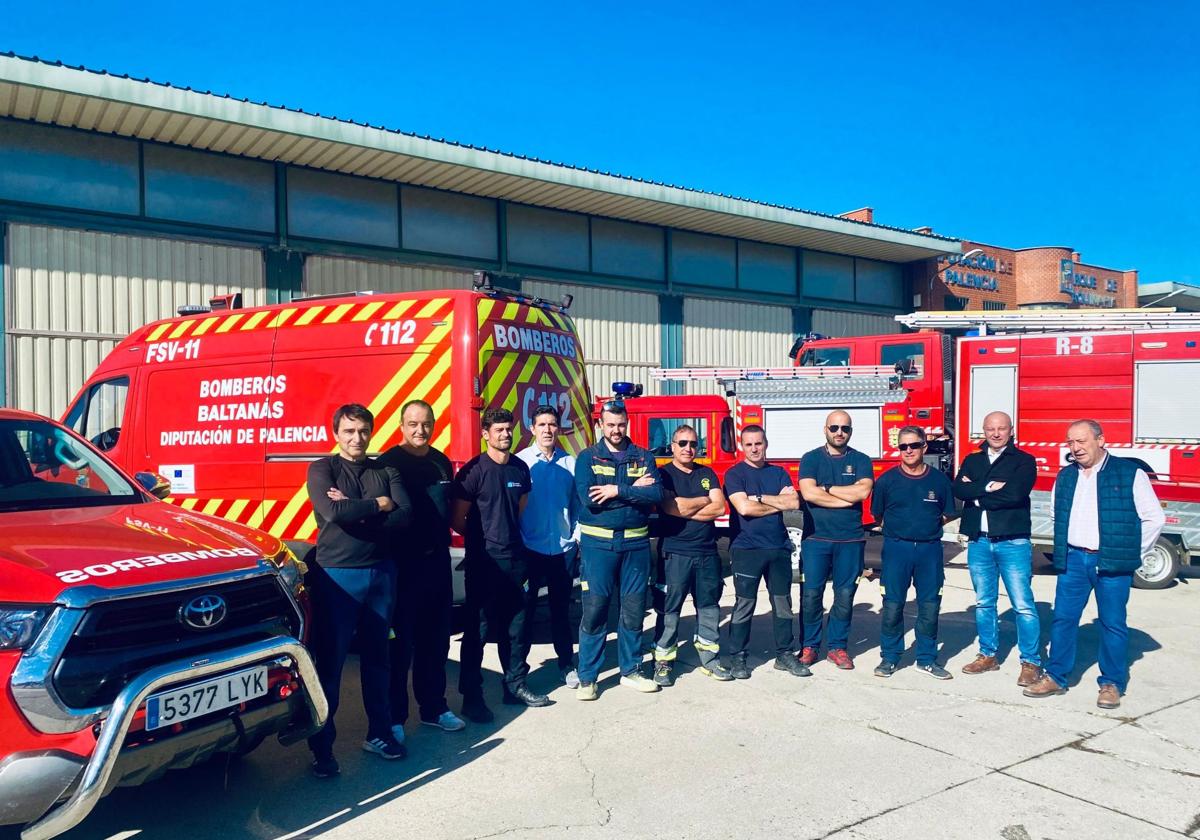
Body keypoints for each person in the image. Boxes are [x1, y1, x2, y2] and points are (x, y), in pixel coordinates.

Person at [1024, 420, 1164, 709]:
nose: (1075, 448)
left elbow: (1154, 518)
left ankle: (1112, 683)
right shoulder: (1066, 476)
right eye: (1070, 442)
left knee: (1112, 623)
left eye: (1082, 441)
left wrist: (1129, 553)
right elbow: (1056, 514)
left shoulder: (1130, 473)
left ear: (1100, 440)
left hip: (1111, 562)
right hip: (1074, 559)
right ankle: (1057, 676)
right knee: (1063, 619)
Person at [305, 403, 411, 778]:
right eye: (349, 431)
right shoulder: (323, 469)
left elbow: (405, 514)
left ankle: (379, 733)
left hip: (381, 574)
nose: (357, 438)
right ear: (336, 433)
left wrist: (358, 508)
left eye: (363, 430)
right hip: (337, 577)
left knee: (378, 659)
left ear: (371, 431)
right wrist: (378, 504)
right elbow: (332, 514)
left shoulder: (385, 468)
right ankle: (322, 747)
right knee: (330, 665)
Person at [377, 400, 466, 744]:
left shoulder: (440, 462)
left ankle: (434, 708)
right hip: (402, 567)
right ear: (401, 425)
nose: (420, 430)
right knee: (401, 647)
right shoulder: (387, 464)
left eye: (426, 423)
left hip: (436, 564)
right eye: (413, 424)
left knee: (436, 641)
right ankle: (395, 717)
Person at [452, 408, 549, 721]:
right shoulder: (474, 472)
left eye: (508, 430)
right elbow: (458, 518)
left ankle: (515, 685)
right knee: (477, 630)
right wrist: (482, 542)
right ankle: (472, 697)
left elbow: (518, 509)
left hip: (516, 560)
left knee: (517, 628)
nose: (505, 435)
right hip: (484, 564)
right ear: (486, 434)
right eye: (499, 430)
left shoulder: (520, 469)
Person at [573, 400, 663, 699]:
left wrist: (616, 490)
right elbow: (589, 500)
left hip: (636, 544)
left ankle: (631, 670)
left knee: (634, 609)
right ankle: (588, 677)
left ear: (627, 423)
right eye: (610, 425)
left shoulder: (643, 456)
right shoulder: (587, 457)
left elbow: (655, 494)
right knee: (596, 609)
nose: (616, 430)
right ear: (601, 424)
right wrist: (634, 489)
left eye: (621, 425)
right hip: (598, 545)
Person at [952, 411, 1043, 686]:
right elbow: (958, 490)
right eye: (990, 428)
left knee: (1023, 605)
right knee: (984, 602)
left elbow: (1015, 495)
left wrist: (977, 495)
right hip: (979, 541)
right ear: (984, 430)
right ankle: (988, 655)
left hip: (1012, 541)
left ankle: (1031, 662)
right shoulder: (973, 459)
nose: (996, 433)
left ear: (1011, 430)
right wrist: (989, 487)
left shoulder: (1023, 461)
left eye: (1001, 428)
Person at [870, 426, 957, 679]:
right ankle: (889, 658)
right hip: (897, 549)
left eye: (914, 445)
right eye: (903, 446)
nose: (908, 451)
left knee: (929, 607)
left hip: (929, 551)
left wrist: (925, 528)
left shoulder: (938, 481)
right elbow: (878, 515)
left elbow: (947, 513)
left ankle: (927, 659)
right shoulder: (887, 481)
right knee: (893, 606)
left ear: (924, 447)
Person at [724, 424, 809, 680]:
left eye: (758, 443)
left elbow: (793, 503)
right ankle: (737, 657)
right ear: (742, 446)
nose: (754, 449)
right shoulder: (734, 474)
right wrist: (773, 501)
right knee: (744, 604)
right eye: (748, 444)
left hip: (779, 548)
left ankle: (785, 655)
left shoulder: (779, 473)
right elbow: (744, 509)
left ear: (766, 444)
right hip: (746, 549)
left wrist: (759, 498)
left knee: (783, 604)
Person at [652, 424, 733, 685]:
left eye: (693, 444)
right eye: (682, 443)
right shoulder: (663, 474)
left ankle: (710, 660)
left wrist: (688, 506)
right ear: (672, 447)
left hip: (707, 553)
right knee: (669, 610)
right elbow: (671, 507)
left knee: (709, 609)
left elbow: (720, 506)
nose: (688, 448)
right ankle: (663, 662)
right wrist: (702, 501)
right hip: (675, 553)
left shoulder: (706, 473)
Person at [797, 409, 874, 670]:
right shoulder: (810, 459)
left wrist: (827, 489)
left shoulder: (862, 459)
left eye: (845, 428)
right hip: (816, 539)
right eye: (834, 428)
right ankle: (809, 646)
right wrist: (844, 497)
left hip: (850, 540)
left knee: (844, 595)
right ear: (825, 429)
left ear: (850, 431)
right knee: (811, 595)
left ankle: (837, 647)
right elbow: (809, 494)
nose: (839, 432)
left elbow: (863, 492)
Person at [516, 404, 580, 689]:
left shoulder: (571, 463)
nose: (547, 430)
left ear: (559, 428)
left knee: (560, 611)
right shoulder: (521, 463)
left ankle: (566, 664)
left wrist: (575, 538)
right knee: (524, 613)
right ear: (532, 429)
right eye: (542, 424)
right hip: (531, 549)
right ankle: (519, 671)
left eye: (552, 424)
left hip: (562, 550)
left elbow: (578, 505)